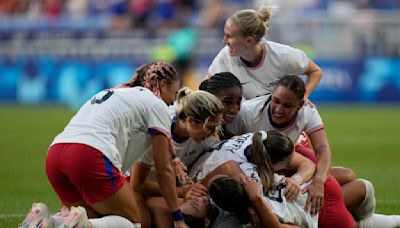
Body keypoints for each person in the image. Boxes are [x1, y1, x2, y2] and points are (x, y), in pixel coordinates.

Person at [20, 61, 189, 228]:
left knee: (94, 216)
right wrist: (177, 217)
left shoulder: (118, 91)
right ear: (161, 84)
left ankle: (45, 220)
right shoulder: (157, 104)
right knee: (134, 222)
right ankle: (83, 225)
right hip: (87, 154)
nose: (172, 103)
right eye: (173, 95)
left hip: (56, 154)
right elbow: (163, 168)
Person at [195, 130, 400, 228]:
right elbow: (228, 170)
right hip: (316, 198)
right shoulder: (252, 173)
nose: (199, 199)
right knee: (364, 188)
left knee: (361, 207)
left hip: (315, 209)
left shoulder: (253, 214)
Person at [131, 88, 224, 227]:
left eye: (216, 127)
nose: (213, 133)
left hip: (163, 185)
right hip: (132, 181)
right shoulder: (159, 129)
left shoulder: (206, 137)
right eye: (210, 128)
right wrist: (182, 191)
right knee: (144, 221)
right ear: (191, 120)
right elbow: (138, 184)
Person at [207, 5, 323, 106]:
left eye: (230, 36)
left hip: (280, 119)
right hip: (251, 120)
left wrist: (304, 96)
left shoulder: (282, 55)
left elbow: (315, 72)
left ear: (249, 41)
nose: (224, 41)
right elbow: (207, 87)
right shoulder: (225, 56)